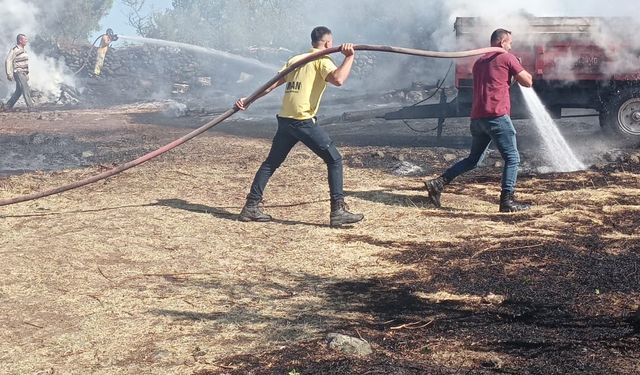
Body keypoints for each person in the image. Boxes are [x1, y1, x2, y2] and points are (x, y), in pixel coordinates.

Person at [235, 26, 364, 227]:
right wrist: (349, 57)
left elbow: (270, 85)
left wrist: (249, 99)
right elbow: (338, 79)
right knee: (335, 159)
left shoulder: (295, 60)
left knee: (271, 163)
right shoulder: (322, 60)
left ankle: (251, 206)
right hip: (302, 120)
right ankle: (338, 211)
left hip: (286, 120)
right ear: (329, 43)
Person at [424, 28, 533, 212]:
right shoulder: (507, 58)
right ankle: (507, 201)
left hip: (478, 118)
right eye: (510, 43)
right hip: (497, 116)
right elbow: (528, 82)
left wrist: (512, 72)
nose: (511, 46)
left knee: (473, 160)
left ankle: (438, 183)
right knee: (512, 158)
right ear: (501, 43)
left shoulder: (479, 62)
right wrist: (517, 65)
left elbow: (499, 82)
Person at [4, 33, 33, 111]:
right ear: (20, 40)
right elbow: (8, 60)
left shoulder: (24, 50)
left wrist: (27, 74)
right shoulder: (15, 50)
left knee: (18, 91)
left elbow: (25, 63)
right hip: (18, 72)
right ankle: (31, 107)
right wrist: (9, 74)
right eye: (25, 39)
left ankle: (7, 106)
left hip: (23, 73)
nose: (26, 41)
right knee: (25, 88)